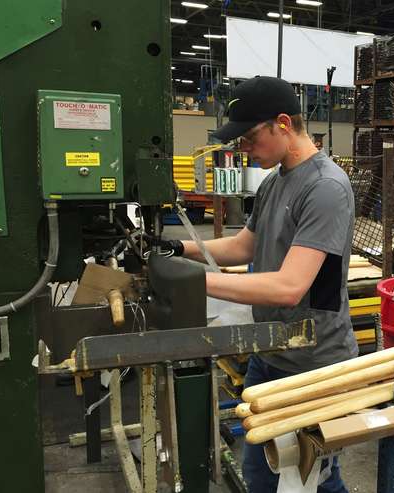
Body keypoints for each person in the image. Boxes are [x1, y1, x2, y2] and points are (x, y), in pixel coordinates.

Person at [160, 76, 356, 493]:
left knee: (314, 478)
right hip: (269, 351)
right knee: (262, 473)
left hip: (313, 362)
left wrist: (194, 281)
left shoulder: (325, 187)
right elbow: (243, 246)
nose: (245, 149)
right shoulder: (274, 181)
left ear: (283, 123)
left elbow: (290, 286)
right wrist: (177, 249)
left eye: (250, 138)